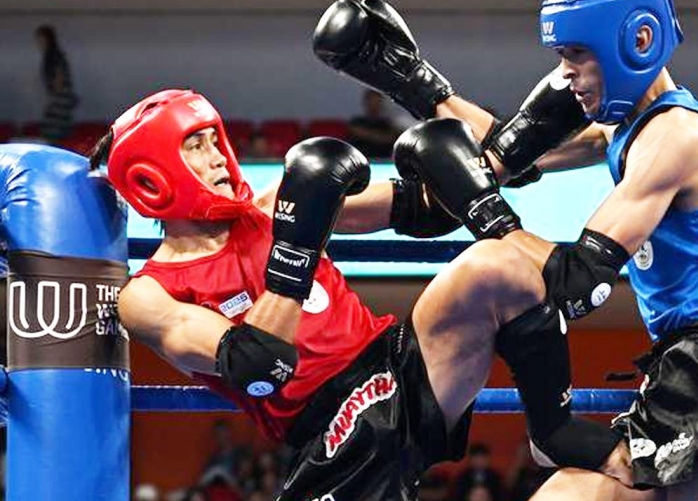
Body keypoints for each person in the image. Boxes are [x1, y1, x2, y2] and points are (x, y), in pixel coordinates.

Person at [313, 0, 698, 501]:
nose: (566, 75)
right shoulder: (628, 129)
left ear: (639, 41)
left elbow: (579, 282)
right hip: (690, 362)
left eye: (577, 54)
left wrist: (487, 217)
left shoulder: (677, 136)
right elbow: (507, 152)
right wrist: (414, 82)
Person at [90, 89, 620, 501]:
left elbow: (426, 206)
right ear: (154, 177)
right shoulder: (149, 296)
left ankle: (553, 430)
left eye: (214, 140)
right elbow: (258, 364)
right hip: (330, 429)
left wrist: (510, 140)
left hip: (403, 366)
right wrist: (297, 244)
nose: (217, 158)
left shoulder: (275, 205)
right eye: (195, 146)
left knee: (496, 263)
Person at [34, 24, 78, 142]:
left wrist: (56, 92)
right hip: (60, 96)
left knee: (53, 129)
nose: (39, 42)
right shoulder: (50, 55)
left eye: (41, 39)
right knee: (57, 128)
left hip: (61, 97)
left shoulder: (54, 54)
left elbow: (59, 74)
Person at [347, 89, 402, 159]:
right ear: (366, 102)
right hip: (363, 158)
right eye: (373, 101)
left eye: (378, 102)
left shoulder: (386, 123)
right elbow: (358, 132)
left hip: (383, 160)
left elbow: (393, 139)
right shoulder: (357, 121)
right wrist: (380, 137)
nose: (375, 105)